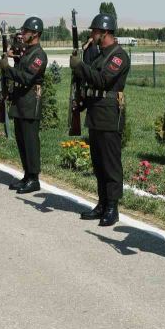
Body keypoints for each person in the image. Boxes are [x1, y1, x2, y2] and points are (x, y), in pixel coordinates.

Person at [70, 13, 130, 226]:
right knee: (98, 163)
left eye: (95, 31)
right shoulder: (99, 55)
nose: (92, 34)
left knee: (110, 163)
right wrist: (81, 103)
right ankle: (102, 202)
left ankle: (112, 207)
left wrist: (80, 67)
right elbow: (91, 85)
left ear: (105, 32)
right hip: (95, 113)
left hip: (109, 115)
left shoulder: (118, 56)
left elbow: (103, 80)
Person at [0, 17, 47, 193]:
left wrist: (7, 69)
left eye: (25, 31)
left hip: (30, 102)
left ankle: (34, 178)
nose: (22, 34)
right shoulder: (28, 52)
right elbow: (20, 71)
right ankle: (27, 174)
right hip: (20, 99)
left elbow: (27, 77)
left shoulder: (39, 55)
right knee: (21, 140)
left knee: (30, 140)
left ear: (35, 33)